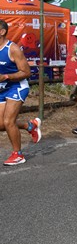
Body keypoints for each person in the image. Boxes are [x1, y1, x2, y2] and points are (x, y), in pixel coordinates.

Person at [0, 19, 42, 166]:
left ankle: (18, 154)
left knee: (8, 121)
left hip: (17, 86)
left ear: (2, 32)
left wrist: (6, 76)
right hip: (2, 88)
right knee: (1, 125)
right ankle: (29, 126)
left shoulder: (13, 49)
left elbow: (26, 72)